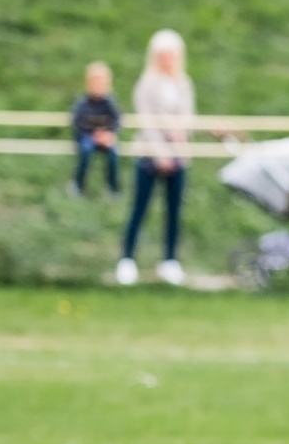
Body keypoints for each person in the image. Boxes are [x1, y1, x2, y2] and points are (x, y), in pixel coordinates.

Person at [117, 29, 196, 287]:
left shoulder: (183, 84)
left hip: (178, 155)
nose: (168, 59)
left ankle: (170, 260)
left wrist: (180, 139)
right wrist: (161, 154)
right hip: (150, 155)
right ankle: (127, 259)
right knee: (140, 207)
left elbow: (187, 118)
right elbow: (147, 123)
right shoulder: (146, 85)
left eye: (172, 55)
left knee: (173, 211)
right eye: (163, 55)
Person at [69, 62, 121, 197]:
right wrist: (93, 134)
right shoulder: (82, 102)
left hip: (105, 136)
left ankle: (112, 187)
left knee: (113, 154)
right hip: (87, 136)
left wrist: (109, 133)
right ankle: (78, 185)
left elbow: (117, 119)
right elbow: (77, 122)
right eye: (95, 81)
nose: (98, 85)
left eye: (101, 81)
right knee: (85, 151)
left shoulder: (110, 102)